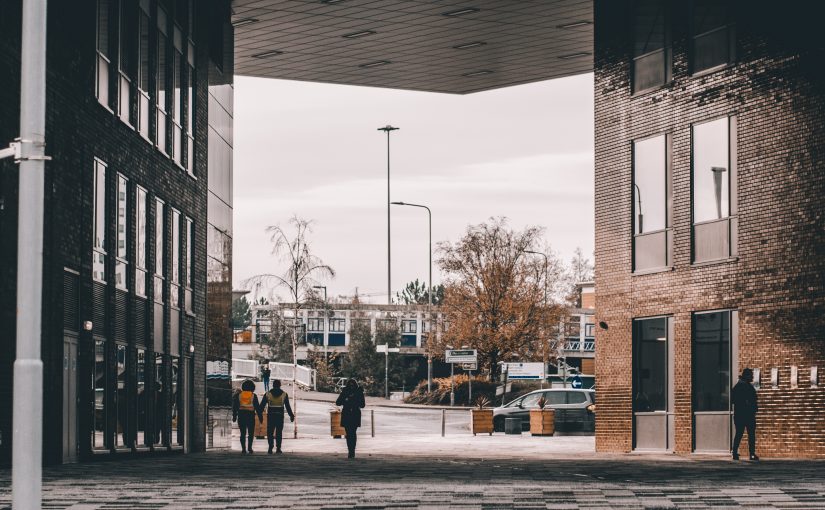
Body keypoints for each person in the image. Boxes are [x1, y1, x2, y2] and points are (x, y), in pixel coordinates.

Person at [258, 379, 294, 454]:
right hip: (280, 416)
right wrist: (291, 415)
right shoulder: (284, 394)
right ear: (280, 385)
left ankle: (270, 447)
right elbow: (288, 407)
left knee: (270, 432)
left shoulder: (267, 394)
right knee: (279, 432)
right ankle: (278, 448)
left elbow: (261, 406)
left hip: (271, 415)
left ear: (273, 385)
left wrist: (260, 415)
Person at [731, 368, 759, 461]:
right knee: (747, 434)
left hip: (743, 414)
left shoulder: (740, 386)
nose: (752, 377)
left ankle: (735, 453)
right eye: (751, 375)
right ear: (746, 376)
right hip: (745, 414)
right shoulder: (742, 386)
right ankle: (750, 454)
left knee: (741, 433)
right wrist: (747, 404)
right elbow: (735, 400)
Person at [335, 378, 366, 459]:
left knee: (350, 433)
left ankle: (351, 451)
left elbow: (362, 404)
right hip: (351, 413)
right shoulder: (348, 391)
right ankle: (351, 451)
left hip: (351, 414)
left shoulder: (357, 392)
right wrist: (346, 400)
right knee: (350, 433)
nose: (351, 387)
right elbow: (338, 402)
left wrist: (350, 400)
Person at [233, 379, 263, 454]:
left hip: (241, 415)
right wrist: (260, 417)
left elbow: (235, 406)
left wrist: (234, 416)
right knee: (251, 433)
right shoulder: (253, 395)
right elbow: (257, 407)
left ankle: (243, 449)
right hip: (250, 416)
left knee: (242, 433)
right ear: (252, 387)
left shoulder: (238, 395)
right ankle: (249, 448)